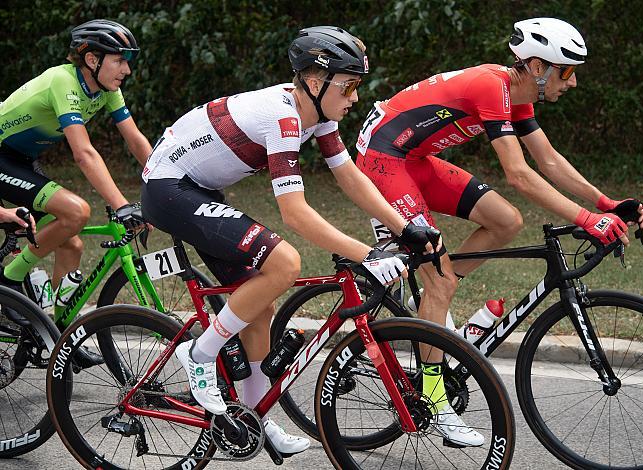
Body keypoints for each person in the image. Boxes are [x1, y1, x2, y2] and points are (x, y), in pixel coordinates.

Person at [140, 26, 451, 454]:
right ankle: (199, 353)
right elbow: (295, 213)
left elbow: (348, 175)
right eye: (349, 86)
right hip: (169, 189)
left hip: (198, 189)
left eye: (358, 86)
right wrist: (368, 255)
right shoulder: (283, 116)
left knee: (260, 306)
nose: (355, 97)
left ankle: (253, 420)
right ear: (315, 81)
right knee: (284, 263)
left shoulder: (319, 114)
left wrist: (404, 227)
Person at [356, 17, 643, 441]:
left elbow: (547, 161)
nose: (573, 82)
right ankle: (433, 397)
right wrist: (586, 220)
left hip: (413, 159)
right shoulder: (491, 86)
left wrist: (605, 203)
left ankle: (435, 304)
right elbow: (518, 174)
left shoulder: (517, 94)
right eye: (566, 71)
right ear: (536, 66)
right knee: (439, 284)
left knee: (506, 221)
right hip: (384, 159)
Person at [0, 19, 150, 326]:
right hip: (3, 158)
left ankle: (58, 333)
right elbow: (83, 154)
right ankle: (9, 278)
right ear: (93, 60)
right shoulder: (63, 81)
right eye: (120, 61)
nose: (127, 70)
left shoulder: (106, 89)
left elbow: (135, 140)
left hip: (20, 160)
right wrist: (122, 205)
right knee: (76, 212)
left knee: (72, 245)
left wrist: (168, 182)